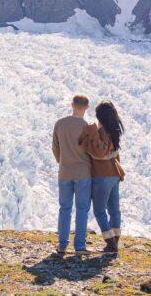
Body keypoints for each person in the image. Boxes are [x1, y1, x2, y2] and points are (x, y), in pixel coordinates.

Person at [79, 99, 125, 254]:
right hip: (114, 174)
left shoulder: (102, 131)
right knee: (114, 209)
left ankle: (110, 244)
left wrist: (91, 129)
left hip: (102, 175)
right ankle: (115, 242)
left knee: (99, 209)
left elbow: (99, 152)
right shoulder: (114, 130)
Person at [51, 93, 93, 255]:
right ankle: (80, 246)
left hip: (65, 172)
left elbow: (55, 147)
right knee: (82, 209)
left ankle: (62, 245)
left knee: (65, 208)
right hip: (83, 173)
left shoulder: (60, 124)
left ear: (72, 105)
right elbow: (92, 152)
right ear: (87, 108)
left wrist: (62, 161)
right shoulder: (88, 127)